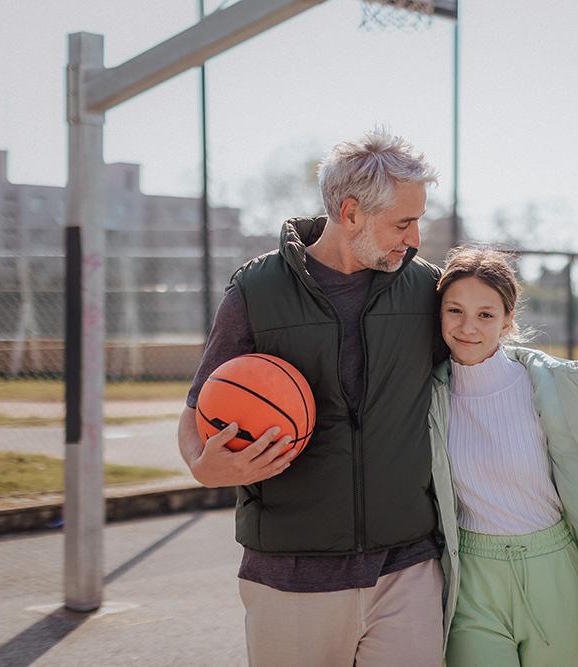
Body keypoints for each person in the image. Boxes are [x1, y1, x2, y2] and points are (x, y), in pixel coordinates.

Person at [177, 129, 448, 667]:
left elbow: (489, 349)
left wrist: (565, 377)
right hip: (292, 571)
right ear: (350, 213)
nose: (413, 238)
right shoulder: (256, 291)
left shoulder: (426, 290)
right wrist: (203, 468)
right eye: (402, 222)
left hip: (409, 566)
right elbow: (197, 409)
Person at [428, 247, 578, 667]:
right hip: (473, 581)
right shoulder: (429, 396)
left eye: (485, 314)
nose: (467, 328)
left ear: (507, 319)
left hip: (554, 572)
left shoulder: (552, 388)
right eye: (454, 310)